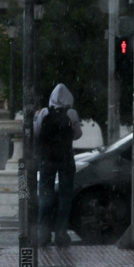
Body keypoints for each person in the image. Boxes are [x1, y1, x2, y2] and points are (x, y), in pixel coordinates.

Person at [34, 83, 83, 247]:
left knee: (45, 197)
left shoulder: (44, 113)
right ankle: (61, 234)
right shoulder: (72, 113)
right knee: (65, 197)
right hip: (66, 160)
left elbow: (36, 132)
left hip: (47, 160)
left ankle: (43, 234)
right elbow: (77, 136)